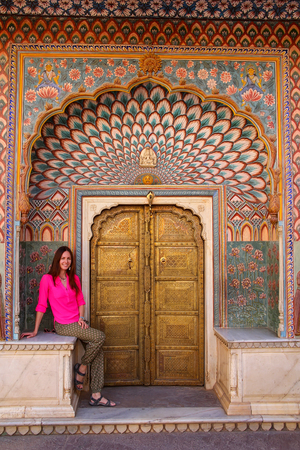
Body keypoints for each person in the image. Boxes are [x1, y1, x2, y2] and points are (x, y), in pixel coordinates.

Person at [21, 246, 116, 407]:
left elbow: (81, 301)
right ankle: (81, 370)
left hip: (77, 322)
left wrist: (81, 318)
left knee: (98, 351)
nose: (66, 261)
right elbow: (41, 305)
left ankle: (96, 395)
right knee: (100, 336)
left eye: (68, 259)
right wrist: (35, 330)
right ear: (57, 260)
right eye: (63, 258)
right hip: (63, 325)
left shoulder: (74, 279)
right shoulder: (47, 279)